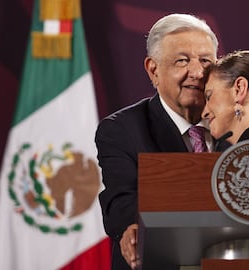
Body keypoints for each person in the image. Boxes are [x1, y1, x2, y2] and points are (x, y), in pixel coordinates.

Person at [95, 13, 220, 270]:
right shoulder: (121, 130)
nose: (197, 72)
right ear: (153, 70)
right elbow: (121, 199)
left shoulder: (237, 124)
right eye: (182, 60)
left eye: (206, 61)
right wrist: (135, 229)